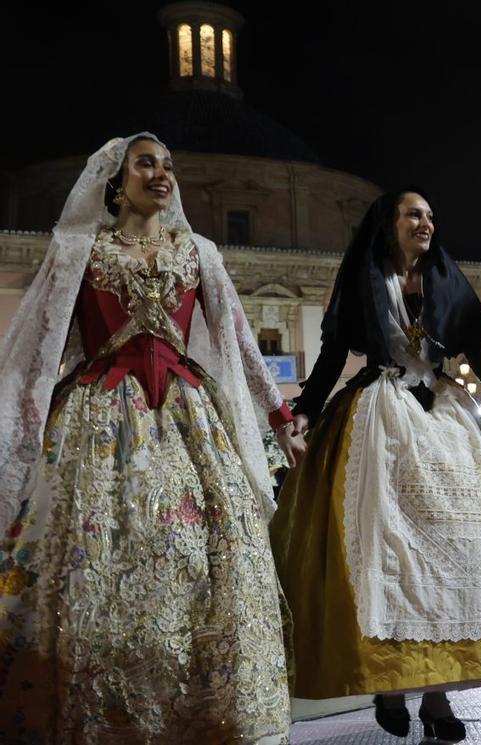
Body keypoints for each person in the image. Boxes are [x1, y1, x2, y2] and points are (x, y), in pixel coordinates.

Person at [0, 134, 303, 743]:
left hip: (190, 416)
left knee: (203, 558)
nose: (161, 174)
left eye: (168, 166)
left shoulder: (202, 253)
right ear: (116, 181)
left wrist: (280, 418)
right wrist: (18, 428)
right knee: (97, 561)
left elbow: (242, 343)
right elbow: (38, 348)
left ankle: (205, 706)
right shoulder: (78, 251)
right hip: (98, 418)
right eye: (146, 164)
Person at [269, 190, 481, 742]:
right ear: (389, 225)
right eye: (414, 215)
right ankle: (389, 681)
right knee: (387, 548)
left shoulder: (445, 278)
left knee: (454, 555)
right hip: (381, 415)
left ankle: (439, 699)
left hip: (445, 420)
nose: (426, 223)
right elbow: (328, 359)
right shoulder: (363, 280)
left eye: (430, 216)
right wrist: (302, 412)